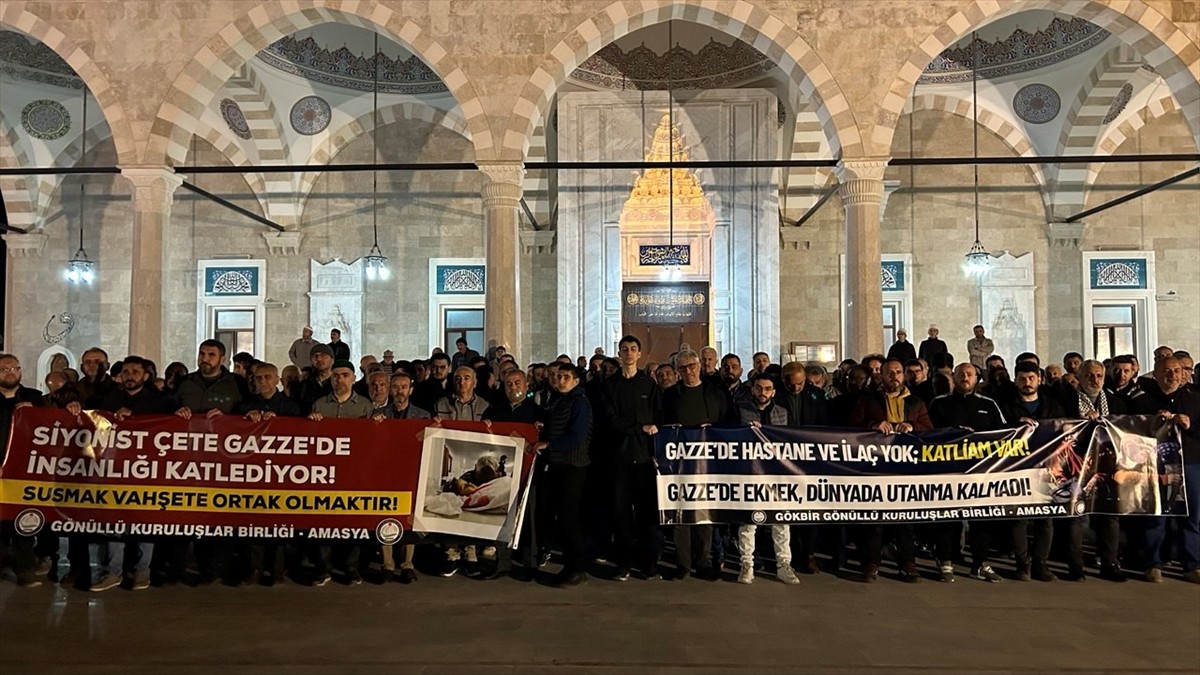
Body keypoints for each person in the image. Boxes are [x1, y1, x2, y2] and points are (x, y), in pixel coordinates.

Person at [849, 358, 932, 582]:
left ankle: (907, 564)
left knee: (905, 521)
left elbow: (930, 430)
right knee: (874, 521)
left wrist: (913, 427)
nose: (894, 376)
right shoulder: (868, 400)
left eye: (898, 372)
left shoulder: (916, 403)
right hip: (875, 469)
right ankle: (871, 564)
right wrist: (873, 426)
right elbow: (851, 427)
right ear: (881, 376)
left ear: (903, 375)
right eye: (889, 372)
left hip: (906, 471)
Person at [928, 363, 1007, 583]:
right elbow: (927, 433)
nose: (965, 377)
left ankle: (980, 564)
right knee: (947, 517)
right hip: (948, 471)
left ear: (977, 378)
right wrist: (953, 434)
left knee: (981, 519)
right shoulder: (939, 403)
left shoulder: (989, 404)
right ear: (953, 377)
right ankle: (945, 561)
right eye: (960, 373)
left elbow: (1004, 434)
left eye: (969, 374)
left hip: (981, 472)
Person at [1129, 357, 1200, 584]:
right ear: (1156, 373)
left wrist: (1192, 425)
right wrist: (1152, 422)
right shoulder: (1142, 400)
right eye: (1167, 371)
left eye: (1177, 371)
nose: (1172, 376)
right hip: (1154, 466)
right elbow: (1129, 430)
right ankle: (1153, 563)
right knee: (1156, 513)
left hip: (1190, 462)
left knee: (1192, 516)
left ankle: (1191, 564)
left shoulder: (1195, 398)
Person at [661, 349, 730, 581]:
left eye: (691, 366)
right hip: (678, 463)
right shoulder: (670, 395)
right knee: (680, 512)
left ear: (699, 366)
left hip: (708, 462)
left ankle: (702, 562)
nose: (688, 371)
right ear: (677, 372)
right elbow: (662, 425)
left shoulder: (716, 393)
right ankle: (682, 563)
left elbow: (727, 422)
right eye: (683, 368)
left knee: (704, 512)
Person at [602, 336, 663, 582]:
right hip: (619, 459)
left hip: (646, 460)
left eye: (633, 349)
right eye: (624, 349)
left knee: (648, 514)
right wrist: (640, 428)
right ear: (619, 353)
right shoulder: (609, 386)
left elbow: (658, 420)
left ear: (640, 354)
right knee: (621, 514)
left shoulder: (649, 384)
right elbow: (610, 420)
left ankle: (649, 564)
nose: (629, 353)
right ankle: (624, 563)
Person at [307, 360, 372, 586]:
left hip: (355, 473)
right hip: (325, 473)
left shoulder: (365, 406)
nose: (340, 379)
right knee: (323, 521)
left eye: (345, 375)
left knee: (354, 522)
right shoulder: (319, 405)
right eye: (336, 375)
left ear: (354, 378)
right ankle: (323, 568)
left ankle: (351, 567)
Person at [1001, 361, 1065, 582]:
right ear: (1015, 379)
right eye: (1022, 378)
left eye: (1031, 378)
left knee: (1045, 519)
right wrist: (1014, 426)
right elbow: (996, 433)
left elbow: (1065, 432)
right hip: (1017, 469)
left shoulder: (1053, 406)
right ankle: (1022, 564)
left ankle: (1041, 563)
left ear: (1039, 379)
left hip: (1047, 469)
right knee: (1018, 518)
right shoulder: (1006, 406)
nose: (1027, 383)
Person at [1065, 359, 1128, 582]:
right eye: (1089, 375)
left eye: (1099, 375)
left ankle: (1110, 563)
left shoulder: (1115, 402)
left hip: (1108, 466)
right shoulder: (1065, 401)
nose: (1094, 380)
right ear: (1080, 377)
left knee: (1110, 516)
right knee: (1076, 516)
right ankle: (1076, 566)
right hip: (1076, 466)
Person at [735, 374, 800, 585]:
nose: (763, 392)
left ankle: (784, 565)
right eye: (759, 388)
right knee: (749, 522)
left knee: (781, 521)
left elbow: (791, 440)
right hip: (750, 473)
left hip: (776, 474)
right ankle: (747, 565)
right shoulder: (741, 410)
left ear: (773, 391)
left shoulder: (782, 412)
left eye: (767, 389)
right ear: (752, 389)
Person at [536, 363, 593, 587]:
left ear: (576, 380)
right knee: (561, 516)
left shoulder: (580, 402)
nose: (560, 380)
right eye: (558, 376)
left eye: (566, 377)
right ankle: (571, 565)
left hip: (573, 465)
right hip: (559, 465)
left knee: (570, 517)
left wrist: (549, 444)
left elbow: (577, 435)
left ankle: (576, 567)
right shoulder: (558, 399)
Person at [0, 353, 46, 587]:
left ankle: (25, 570)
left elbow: (54, 425)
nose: (10, 372)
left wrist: (36, 411)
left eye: (14, 368)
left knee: (24, 523)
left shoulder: (35, 397)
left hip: (24, 471)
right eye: (4, 369)